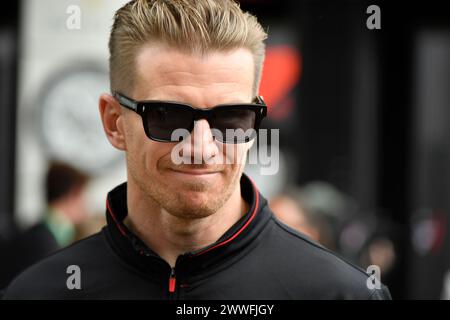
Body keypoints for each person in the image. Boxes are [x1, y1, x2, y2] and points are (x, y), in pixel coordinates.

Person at [3, 0, 391, 299]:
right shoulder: (39, 292)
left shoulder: (339, 293)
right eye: (168, 116)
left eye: (232, 118)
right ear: (113, 122)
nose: (201, 148)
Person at [0, 161, 89, 289]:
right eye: (83, 197)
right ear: (72, 195)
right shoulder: (44, 243)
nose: (85, 205)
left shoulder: (40, 236)